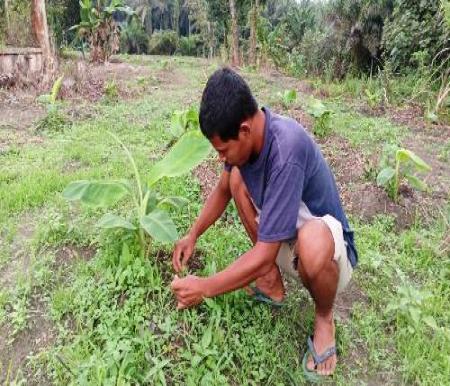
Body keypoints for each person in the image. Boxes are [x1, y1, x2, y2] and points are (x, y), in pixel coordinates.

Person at [170, 67, 358, 379]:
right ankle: (271, 284)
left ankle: (324, 318)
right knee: (235, 181)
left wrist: (204, 288)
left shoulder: (286, 149)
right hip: (286, 242)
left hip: (329, 255)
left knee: (311, 241)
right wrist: (192, 235)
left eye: (222, 150)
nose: (220, 158)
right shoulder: (246, 144)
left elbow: (265, 252)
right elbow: (221, 191)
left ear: (243, 130)